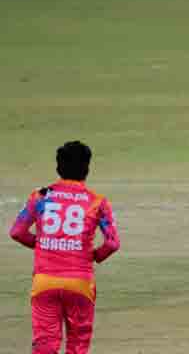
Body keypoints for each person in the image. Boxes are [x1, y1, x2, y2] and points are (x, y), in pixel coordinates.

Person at [9, 141, 121, 353]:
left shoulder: (41, 196)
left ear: (58, 167)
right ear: (87, 168)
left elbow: (16, 232)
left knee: (45, 344)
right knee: (77, 344)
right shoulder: (97, 202)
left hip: (45, 281)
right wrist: (94, 255)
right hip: (80, 282)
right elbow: (113, 243)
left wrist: (44, 245)